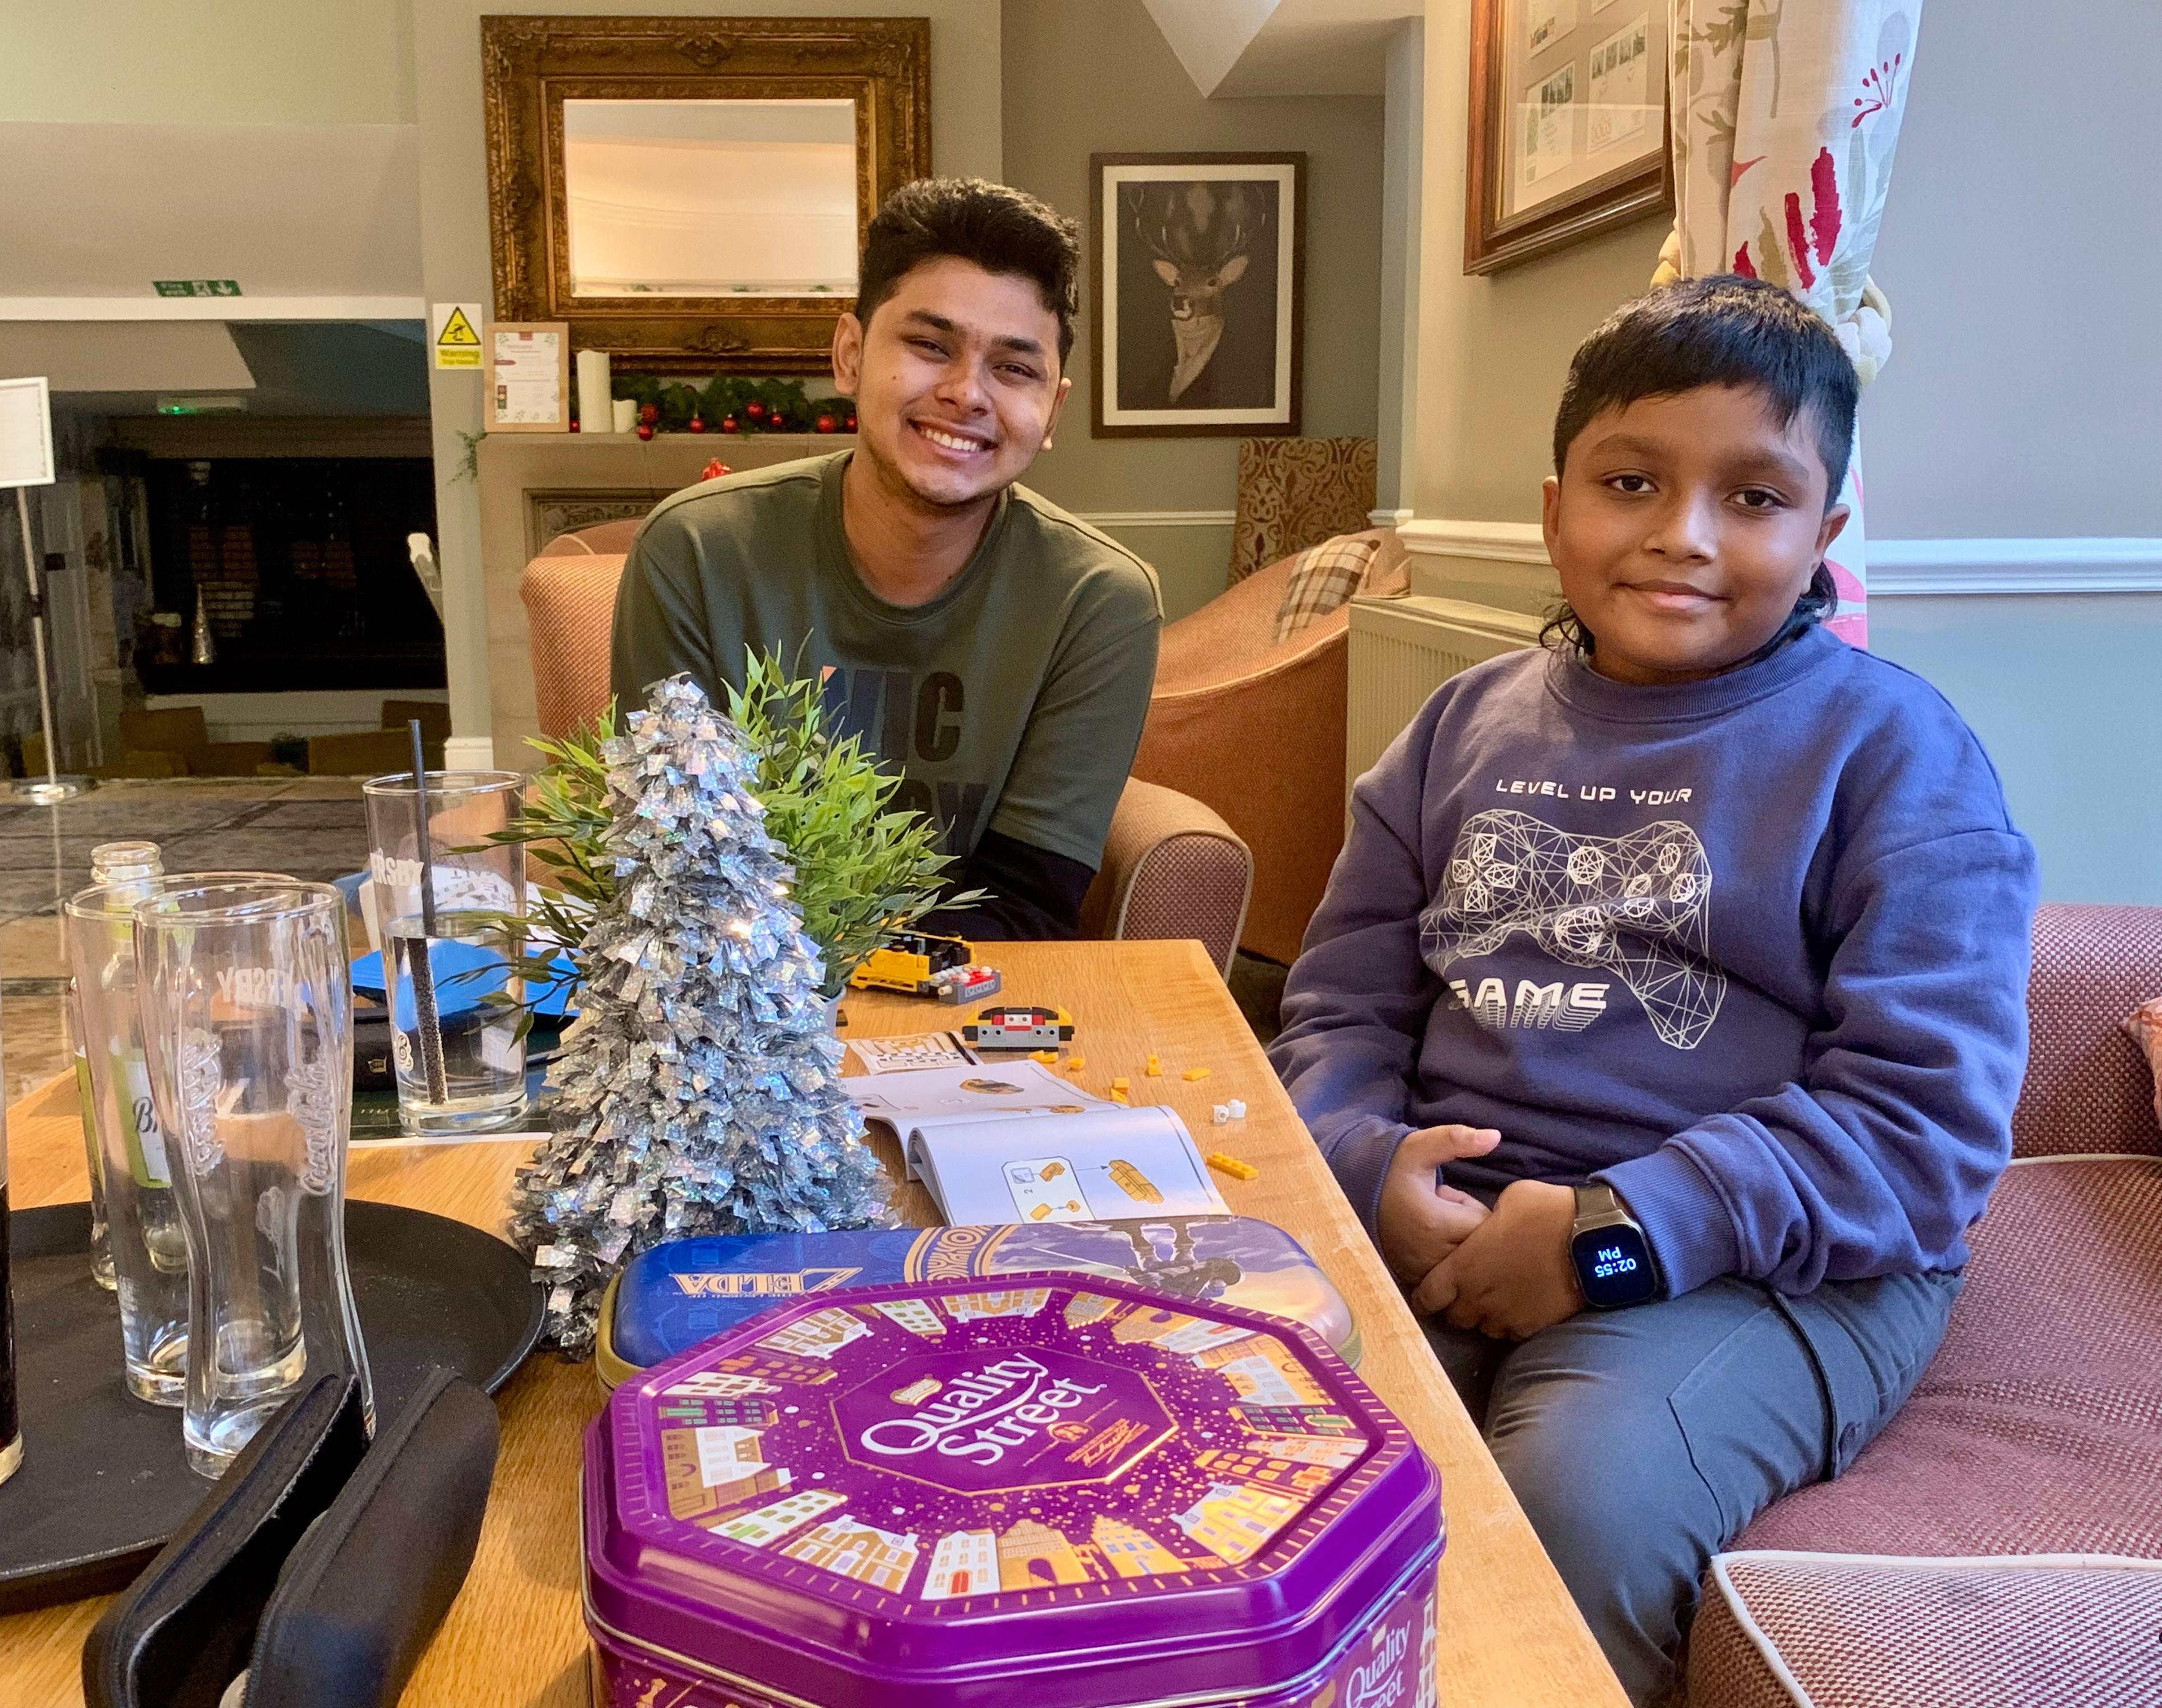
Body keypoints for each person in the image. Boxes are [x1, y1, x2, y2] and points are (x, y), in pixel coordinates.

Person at [1269, 276, 2039, 1705]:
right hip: (1445, 1217)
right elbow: (1339, 1012)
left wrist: (1610, 1237)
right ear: (1557, 507)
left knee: (1577, 1507)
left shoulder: (1901, 761)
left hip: (1772, 1259)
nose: (1683, 536)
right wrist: (1366, 1166)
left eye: (1754, 497)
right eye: (1634, 482)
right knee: (1261, 1456)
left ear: (1825, 536)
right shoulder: (1457, 727)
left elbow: (1923, 1134)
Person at [609, 178, 1162, 940]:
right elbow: (674, 865)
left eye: (1014, 369)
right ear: (849, 354)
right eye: (931, 347)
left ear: (1052, 410)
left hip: (968, 1007)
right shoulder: (698, 552)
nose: (968, 394)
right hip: (730, 1017)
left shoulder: (1097, 600)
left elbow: (1029, 902)